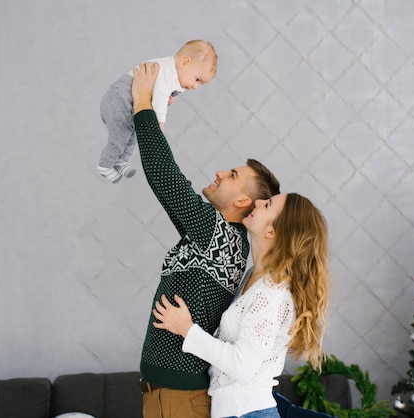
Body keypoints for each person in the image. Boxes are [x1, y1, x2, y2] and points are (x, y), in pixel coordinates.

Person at [131, 61, 281, 418]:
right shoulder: (212, 235)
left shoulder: (221, 237)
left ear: (243, 202)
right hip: (166, 396)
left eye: (231, 175)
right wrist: (158, 110)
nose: (219, 172)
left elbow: (166, 178)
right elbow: (166, 188)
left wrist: (142, 105)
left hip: (180, 400)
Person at [152, 192, 331, 418]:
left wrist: (187, 330)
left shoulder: (271, 292)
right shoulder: (253, 278)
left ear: (271, 231)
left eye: (267, 205)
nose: (257, 202)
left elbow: (242, 366)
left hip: (244, 412)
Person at [97, 39, 217, 183]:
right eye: (197, 79)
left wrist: (167, 101)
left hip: (128, 106)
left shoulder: (175, 78)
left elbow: (155, 99)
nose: (195, 86)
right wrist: (158, 128)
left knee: (132, 135)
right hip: (118, 101)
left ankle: (120, 162)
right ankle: (105, 165)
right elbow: (158, 102)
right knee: (119, 138)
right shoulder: (167, 71)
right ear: (185, 62)